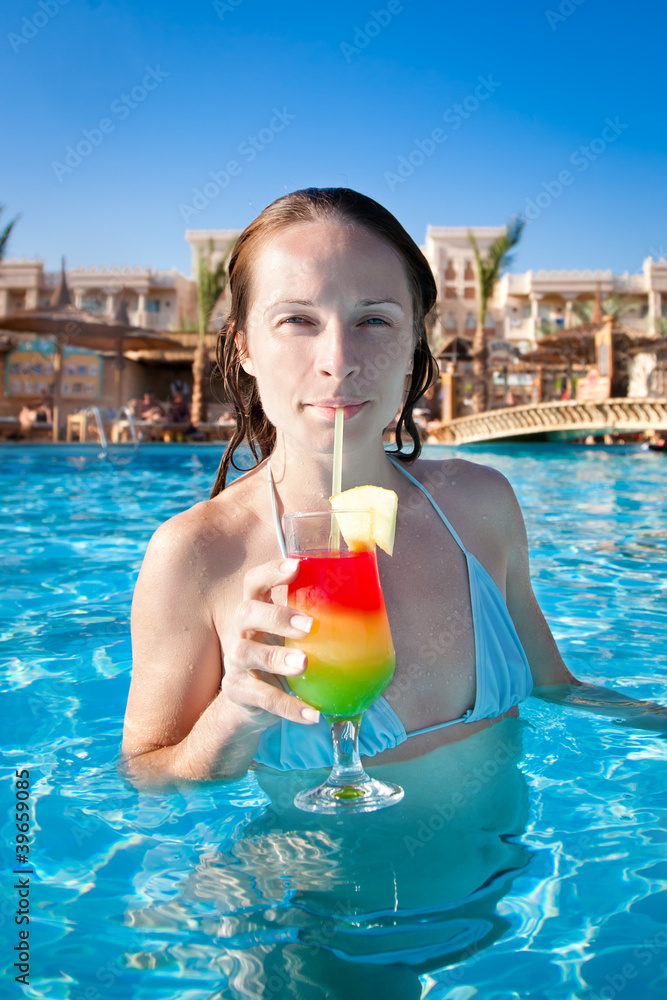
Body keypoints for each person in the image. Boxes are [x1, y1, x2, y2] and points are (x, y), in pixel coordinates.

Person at [122, 187, 667, 784]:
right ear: (244, 345)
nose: (339, 359)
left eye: (374, 320)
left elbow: (557, 690)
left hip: (523, 878)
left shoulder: (481, 505)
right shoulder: (198, 555)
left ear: (413, 344)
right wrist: (234, 714)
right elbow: (146, 781)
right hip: (307, 880)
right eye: (297, 320)